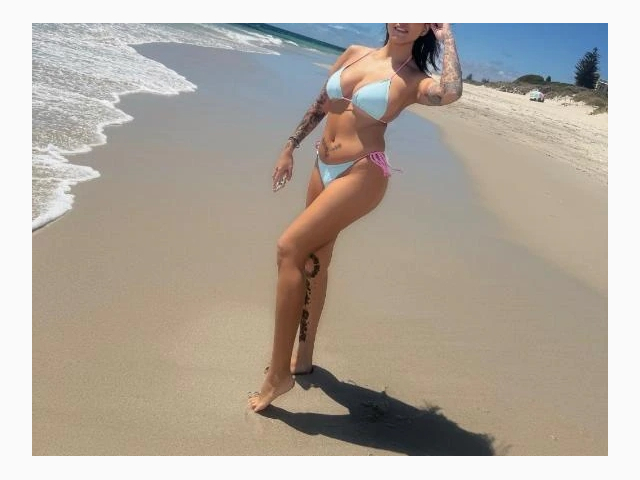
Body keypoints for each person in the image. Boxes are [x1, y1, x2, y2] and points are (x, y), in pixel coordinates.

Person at [249, 23, 462, 412]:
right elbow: (321, 103)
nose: (402, 20)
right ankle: (303, 358)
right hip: (322, 163)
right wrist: (290, 146)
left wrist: (447, 39)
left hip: (362, 171)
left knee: (289, 248)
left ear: (426, 27)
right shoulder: (353, 53)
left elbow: (450, 92)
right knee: (314, 260)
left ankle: (278, 375)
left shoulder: (415, 80)